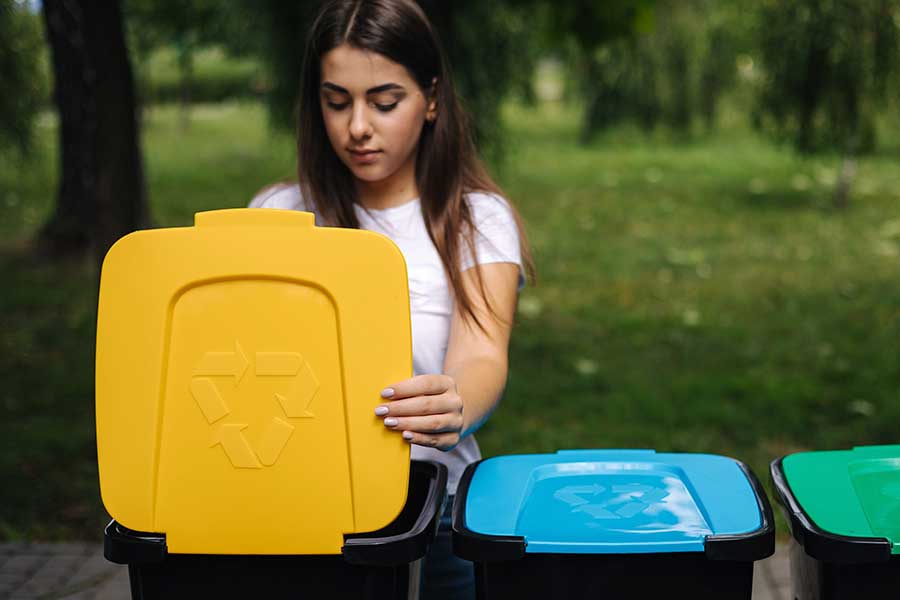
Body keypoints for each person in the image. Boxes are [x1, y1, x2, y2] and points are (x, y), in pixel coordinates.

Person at [249, 1, 533, 597]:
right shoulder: (278, 213)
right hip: (299, 514)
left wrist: (455, 401)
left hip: (440, 516)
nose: (357, 126)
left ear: (431, 99)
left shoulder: (477, 219)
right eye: (336, 101)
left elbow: (482, 356)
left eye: (383, 102)